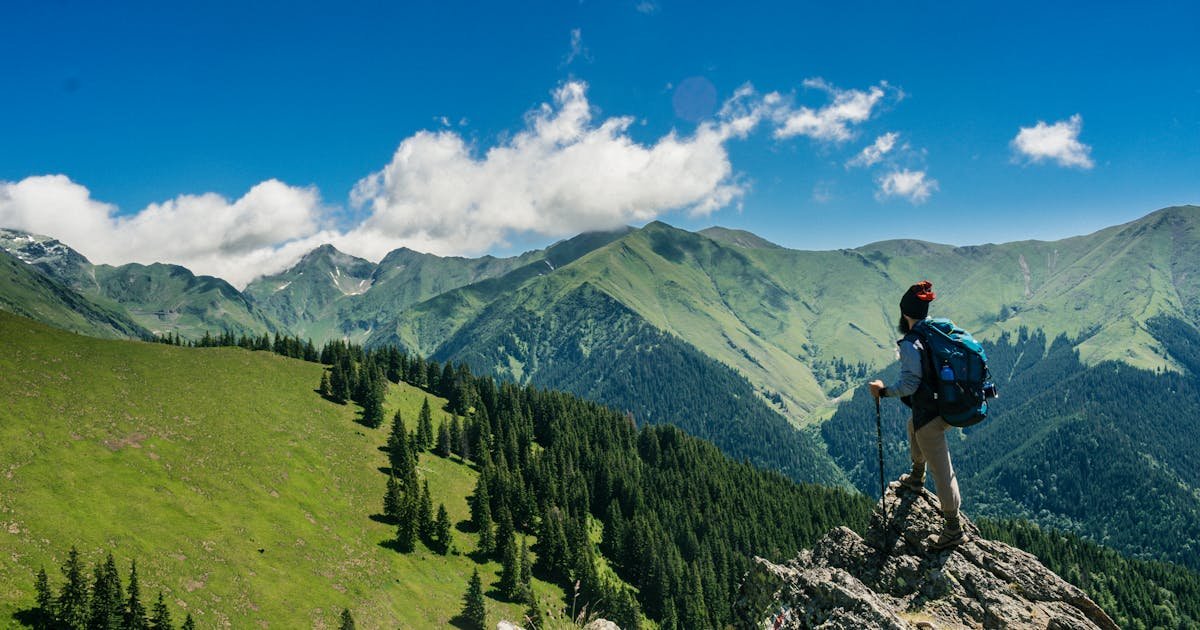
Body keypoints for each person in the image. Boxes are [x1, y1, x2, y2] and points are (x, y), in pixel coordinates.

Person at [868, 280, 966, 550]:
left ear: (904, 314)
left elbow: (910, 385)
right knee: (914, 426)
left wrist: (883, 391)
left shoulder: (912, 343)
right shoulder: (936, 330)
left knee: (942, 470)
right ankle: (916, 475)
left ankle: (953, 528)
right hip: (946, 404)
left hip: (931, 414)